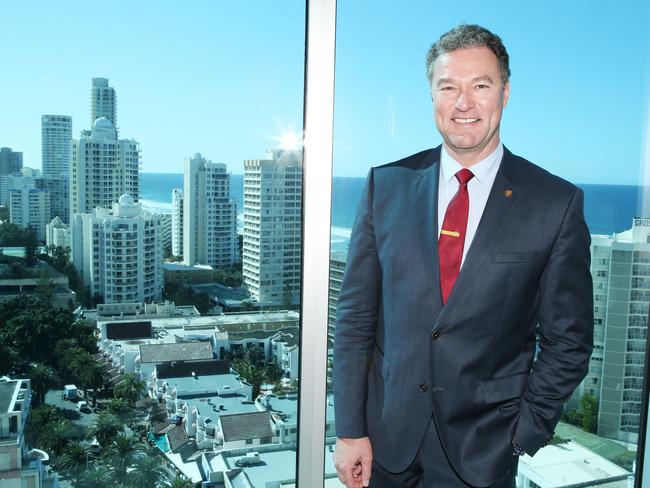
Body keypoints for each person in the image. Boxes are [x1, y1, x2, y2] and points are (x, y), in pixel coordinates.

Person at [332, 24, 593, 488]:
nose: (463, 103)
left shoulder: (554, 204)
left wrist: (523, 432)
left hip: (483, 453)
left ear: (505, 94)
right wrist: (350, 430)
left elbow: (568, 342)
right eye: (448, 87)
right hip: (384, 445)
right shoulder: (384, 186)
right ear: (431, 94)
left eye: (480, 86)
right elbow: (355, 319)